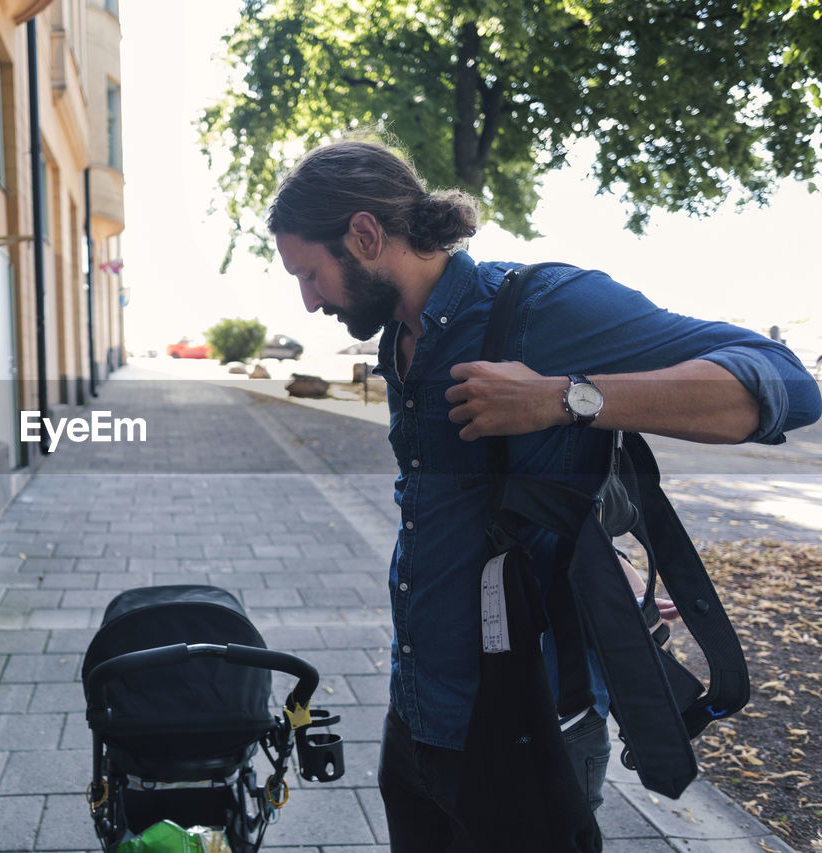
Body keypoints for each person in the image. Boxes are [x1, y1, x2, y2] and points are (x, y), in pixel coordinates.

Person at [266, 139, 822, 851]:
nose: (309, 299)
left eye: (310, 274)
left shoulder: (540, 307)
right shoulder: (400, 341)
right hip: (416, 720)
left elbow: (785, 384)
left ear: (366, 235)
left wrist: (566, 398)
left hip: (526, 731)